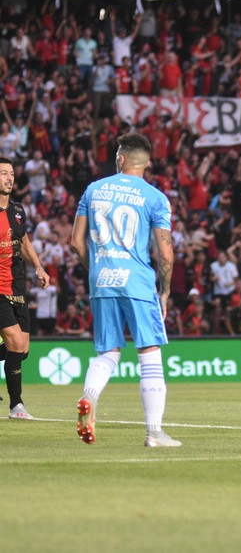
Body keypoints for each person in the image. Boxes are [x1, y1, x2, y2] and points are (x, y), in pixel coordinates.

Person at [70, 133, 181, 447]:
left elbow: (76, 243)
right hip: (138, 282)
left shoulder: (93, 190)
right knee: (149, 353)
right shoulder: (155, 197)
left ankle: (89, 397)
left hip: (103, 280)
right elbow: (166, 253)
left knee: (108, 352)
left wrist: (97, 271)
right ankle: (154, 433)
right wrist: (166, 291)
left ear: (120, 159)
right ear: (145, 163)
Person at [0, 156, 51, 419]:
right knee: (15, 342)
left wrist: (39, 268)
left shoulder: (18, 210)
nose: (9, 178)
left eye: (11, 174)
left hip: (17, 286)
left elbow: (26, 243)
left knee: (22, 351)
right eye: (3, 173)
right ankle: (16, 406)